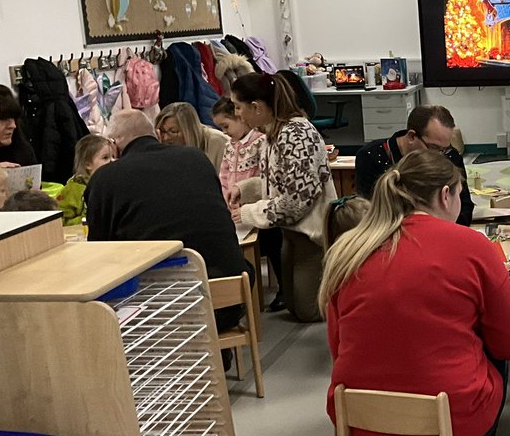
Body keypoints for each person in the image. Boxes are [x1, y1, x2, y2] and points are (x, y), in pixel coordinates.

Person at [321, 150, 510, 436]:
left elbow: (338, 347)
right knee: (493, 351)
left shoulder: (350, 250)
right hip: (448, 430)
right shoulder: (471, 245)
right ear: (445, 195)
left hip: (360, 430)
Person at [86, 110, 249, 332]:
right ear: (155, 134)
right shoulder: (196, 158)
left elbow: (100, 250)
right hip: (230, 296)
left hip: (163, 311)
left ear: (114, 145)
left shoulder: (105, 180)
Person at [231, 72, 336, 323]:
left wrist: (247, 213)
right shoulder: (274, 133)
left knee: (308, 311)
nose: (237, 114)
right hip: (292, 234)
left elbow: (296, 201)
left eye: (238, 107)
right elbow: (278, 182)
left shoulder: (295, 134)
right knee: (294, 306)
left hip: (311, 236)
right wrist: (245, 189)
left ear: (256, 107)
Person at [213, 97, 283, 309]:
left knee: (272, 243)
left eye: (226, 126)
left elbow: (265, 176)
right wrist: (226, 198)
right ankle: (240, 296)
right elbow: (224, 175)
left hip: (259, 207)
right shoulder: (230, 146)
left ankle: (284, 287)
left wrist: (251, 201)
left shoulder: (260, 142)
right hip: (235, 209)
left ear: (241, 118)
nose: (224, 132)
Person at [353, 105, 473, 225]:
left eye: (445, 149)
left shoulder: (450, 156)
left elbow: (465, 206)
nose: (440, 156)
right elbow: (370, 213)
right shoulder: (371, 157)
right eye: (434, 147)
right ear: (411, 136)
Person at [56, 134, 114, 226]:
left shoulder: (112, 184)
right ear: (88, 164)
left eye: (113, 156)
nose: (112, 161)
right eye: (105, 157)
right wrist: (86, 220)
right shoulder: (73, 190)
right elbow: (61, 220)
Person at [155, 101, 229, 172]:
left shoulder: (219, 143)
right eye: (163, 131)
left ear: (189, 130)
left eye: (173, 131)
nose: (166, 138)